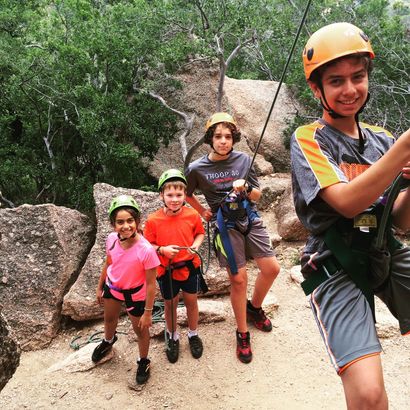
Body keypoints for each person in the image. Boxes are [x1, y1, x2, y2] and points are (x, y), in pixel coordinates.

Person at [290, 22, 410, 409]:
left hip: (383, 248)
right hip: (333, 260)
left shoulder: (382, 140)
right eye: (336, 81)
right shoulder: (309, 138)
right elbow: (345, 203)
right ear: (317, 89)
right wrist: (403, 152)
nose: (350, 90)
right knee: (369, 395)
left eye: (358, 77)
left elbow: (402, 220)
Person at [185, 112, 281, 364]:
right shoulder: (197, 168)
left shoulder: (244, 160)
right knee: (238, 280)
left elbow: (258, 195)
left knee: (271, 269)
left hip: (249, 217)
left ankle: (254, 308)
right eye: (218, 136)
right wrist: (203, 211)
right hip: (225, 225)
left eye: (228, 136)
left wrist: (246, 189)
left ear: (234, 138)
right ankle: (242, 333)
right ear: (210, 139)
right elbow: (186, 193)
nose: (223, 141)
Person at [92, 195, 159, 385]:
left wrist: (148, 312)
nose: (126, 226)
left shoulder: (146, 250)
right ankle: (108, 340)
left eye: (130, 221)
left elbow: (152, 284)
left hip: (135, 294)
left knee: (140, 330)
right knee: (109, 318)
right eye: (120, 222)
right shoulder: (112, 239)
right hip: (113, 286)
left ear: (137, 222)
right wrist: (100, 287)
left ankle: (143, 360)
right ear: (113, 224)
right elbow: (109, 261)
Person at [144, 169, 205, 363]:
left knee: (191, 301)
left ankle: (193, 334)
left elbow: (200, 233)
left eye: (179, 195)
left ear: (184, 195)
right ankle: (173, 335)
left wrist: (196, 245)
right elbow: (147, 245)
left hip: (189, 266)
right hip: (166, 270)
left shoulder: (192, 214)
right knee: (170, 304)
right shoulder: (153, 220)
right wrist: (161, 249)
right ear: (161, 195)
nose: (175, 199)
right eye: (170, 195)